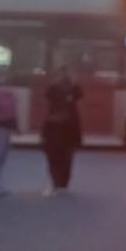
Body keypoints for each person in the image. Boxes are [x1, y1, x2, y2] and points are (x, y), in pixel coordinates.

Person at [42, 67, 82, 196]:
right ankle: (61, 183)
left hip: (58, 126)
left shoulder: (67, 88)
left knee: (57, 156)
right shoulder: (61, 88)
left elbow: (79, 94)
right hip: (64, 127)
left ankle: (58, 182)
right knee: (64, 156)